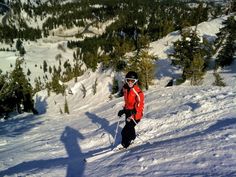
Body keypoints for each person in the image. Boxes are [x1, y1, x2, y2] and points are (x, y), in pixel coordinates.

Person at [117, 71, 144, 148]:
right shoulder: (125, 89)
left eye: (132, 81)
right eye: (128, 80)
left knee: (124, 131)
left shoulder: (138, 92)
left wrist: (134, 113)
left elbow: (140, 105)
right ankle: (132, 138)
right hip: (128, 112)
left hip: (135, 115)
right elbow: (127, 102)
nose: (130, 82)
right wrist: (124, 110)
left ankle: (125, 144)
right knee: (129, 127)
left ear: (135, 81)